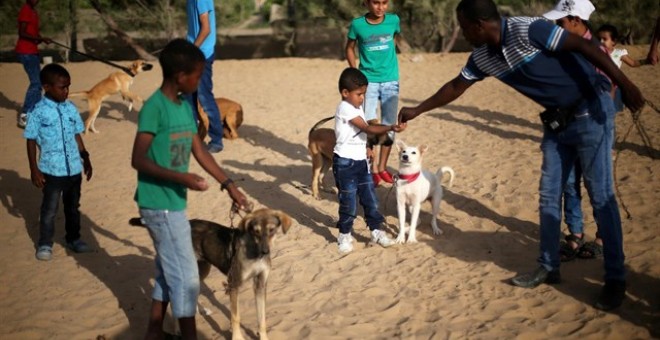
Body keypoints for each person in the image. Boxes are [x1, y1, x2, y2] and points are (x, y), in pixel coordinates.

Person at [398, 0, 644, 311]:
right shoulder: (483, 57)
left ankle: (615, 279)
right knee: (548, 195)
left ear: (478, 24)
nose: (462, 33)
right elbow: (456, 86)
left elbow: (588, 49)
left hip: (590, 110)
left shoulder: (529, 29)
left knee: (600, 195)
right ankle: (548, 266)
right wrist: (418, 109)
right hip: (557, 121)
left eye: (463, 27)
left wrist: (626, 85)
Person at [131, 39, 249, 340]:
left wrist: (230, 185)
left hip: (174, 202)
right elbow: (138, 159)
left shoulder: (184, 106)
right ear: (181, 75)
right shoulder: (154, 108)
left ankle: (154, 332)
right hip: (158, 203)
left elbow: (200, 151)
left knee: (167, 270)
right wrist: (182, 179)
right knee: (187, 278)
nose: (200, 80)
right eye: (198, 74)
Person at [542, 0, 605, 263]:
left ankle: (603, 237)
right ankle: (575, 233)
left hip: (590, 123)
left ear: (576, 21)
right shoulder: (561, 48)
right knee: (568, 182)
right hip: (563, 125)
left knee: (596, 184)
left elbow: (606, 88)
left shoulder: (596, 49)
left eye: (562, 21)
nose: (558, 26)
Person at [24, 63, 94, 261]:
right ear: (47, 87)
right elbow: (30, 139)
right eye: (62, 87)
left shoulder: (70, 108)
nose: (66, 91)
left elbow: (76, 134)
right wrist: (34, 170)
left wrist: (86, 157)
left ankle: (74, 239)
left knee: (73, 207)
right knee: (50, 210)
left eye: (68, 86)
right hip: (51, 170)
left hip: (73, 168)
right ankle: (45, 243)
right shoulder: (38, 111)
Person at [333, 67, 404, 254]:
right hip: (345, 163)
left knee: (370, 199)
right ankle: (345, 234)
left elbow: (360, 135)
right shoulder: (345, 108)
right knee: (348, 201)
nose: (362, 98)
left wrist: (368, 148)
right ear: (345, 93)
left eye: (364, 94)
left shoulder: (356, 107)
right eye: (359, 94)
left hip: (361, 163)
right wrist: (391, 127)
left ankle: (376, 231)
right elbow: (367, 129)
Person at [345, 0, 401, 186]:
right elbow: (349, 48)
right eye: (376, 3)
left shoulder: (394, 20)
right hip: (367, 83)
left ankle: (382, 168)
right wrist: (356, 72)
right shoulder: (357, 24)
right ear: (366, 3)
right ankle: (370, 168)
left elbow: (393, 40)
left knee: (389, 125)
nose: (380, 7)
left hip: (391, 80)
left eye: (384, 3)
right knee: (368, 125)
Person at [186, 0, 224, 153]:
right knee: (188, 96)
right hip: (193, 52)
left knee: (204, 97)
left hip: (202, 55)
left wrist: (192, 49)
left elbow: (206, 29)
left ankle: (216, 140)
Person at [16, 0, 52, 128]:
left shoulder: (33, 11)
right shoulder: (26, 10)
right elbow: (22, 33)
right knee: (36, 83)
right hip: (25, 51)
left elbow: (33, 33)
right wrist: (40, 39)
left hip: (33, 51)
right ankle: (25, 115)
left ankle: (35, 114)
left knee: (38, 83)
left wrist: (42, 38)